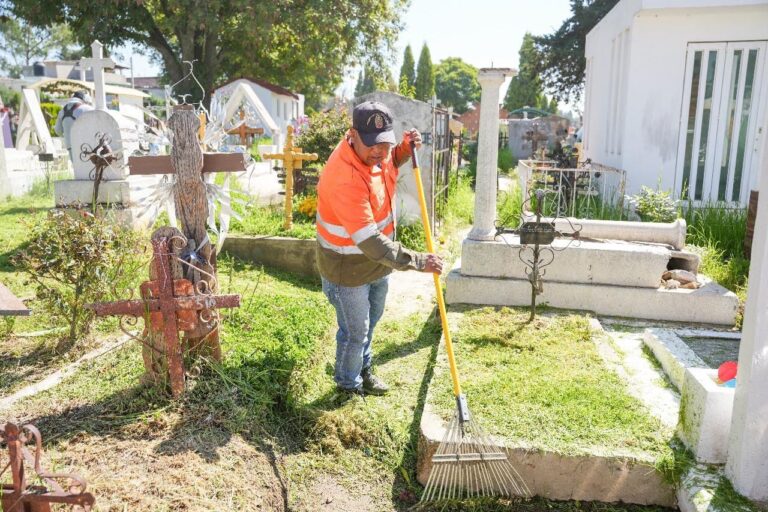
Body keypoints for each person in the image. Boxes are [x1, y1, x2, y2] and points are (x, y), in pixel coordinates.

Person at [316, 101, 444, 396]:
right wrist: (418, 261)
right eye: (373, 145)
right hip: (346, 269)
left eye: (385, 144)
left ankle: (363, 368)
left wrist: (402, 150)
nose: (380, 152)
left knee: (371, 321)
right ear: (352, 135)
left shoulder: (377, 153)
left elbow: (387, 163)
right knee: (355, 331)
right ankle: (348, 386)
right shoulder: (344, 177)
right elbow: (371, 241)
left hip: (377, 263)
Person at [54, 91, 94, 159]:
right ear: (84, 99)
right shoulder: (87, 109)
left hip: (70, 146)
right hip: (86, 146)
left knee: (76, 169)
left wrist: (67, 135)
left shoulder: (62, 111)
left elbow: (58, 131)